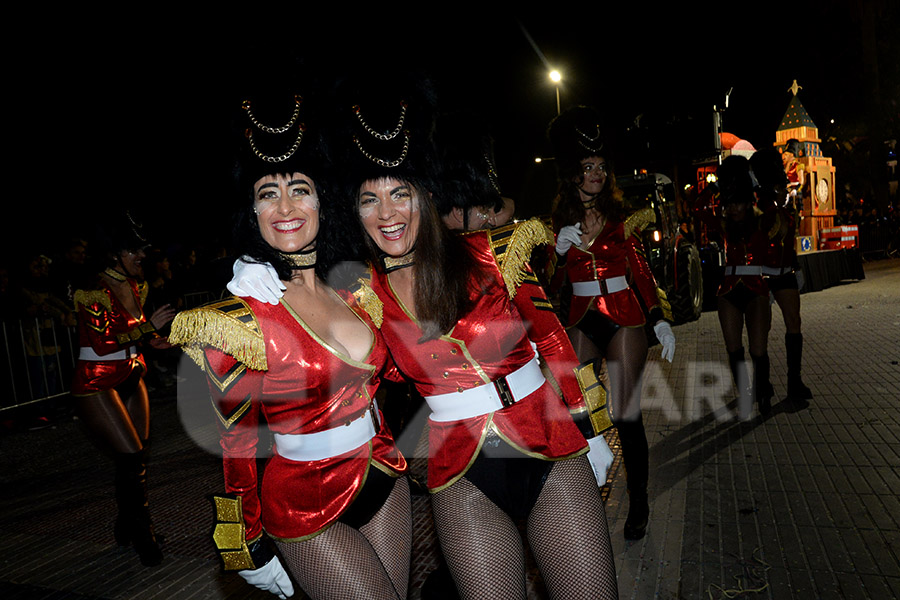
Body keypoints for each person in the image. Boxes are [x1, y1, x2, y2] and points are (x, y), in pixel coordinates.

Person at [232, 77, 619, 600]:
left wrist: (590, 427)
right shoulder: (364, 297)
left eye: (400, 194)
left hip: (551, 448)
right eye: (369, 200)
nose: (387, 213)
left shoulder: (491, 253)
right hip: (462, 478)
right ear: (355, 213)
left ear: (426, 196)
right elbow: (322, 354)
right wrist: (253, 262)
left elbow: (554, 343)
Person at [169, 89, 412, 600]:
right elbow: (234, 444)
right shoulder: (237, 318)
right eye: (267, 194)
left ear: (324, 200)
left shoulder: (359, 291)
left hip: (383, 472)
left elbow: (401, 367)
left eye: (299, 189)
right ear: (250, 210)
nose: (285, 207)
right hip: (305, 500)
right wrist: (244, 545)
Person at [545, 105, 676, 542]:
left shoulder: (621, 220)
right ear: (573, 174)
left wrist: (659, 320)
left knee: (625, 414)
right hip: (582, 319)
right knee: (574, 411)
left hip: (624, 321)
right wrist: (559, 255)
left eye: (601, 166)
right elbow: (548, 285)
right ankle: (586, 498)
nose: (596, 174)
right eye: (588, 167)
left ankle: (638, 501)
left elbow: (640, 271)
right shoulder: (556, 226)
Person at [70, 211, 177, 566]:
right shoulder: (91, 290)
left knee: (135, 457)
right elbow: (103, 345)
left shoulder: (136, 285)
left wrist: (157, 340)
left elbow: (136, 335)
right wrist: (148, 330)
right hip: (97, 381)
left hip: (131, 374)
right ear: (115, 254)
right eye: (134, 251)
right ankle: (143, 535)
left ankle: (127, 524)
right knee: (130, 454)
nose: (142, 257)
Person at [695, 155, 785, 418]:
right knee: (733, 348)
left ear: (748, 202)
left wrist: (754, 184)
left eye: (736, 204)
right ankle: (745, 391)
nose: (731, 209)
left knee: (758, 349)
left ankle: (764, 387)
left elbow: (778, 210)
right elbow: (698, 208)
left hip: (757, 290)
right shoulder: (724, 224)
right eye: (728, 204)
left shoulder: (761, 221)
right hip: (728, 292)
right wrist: (715, 186)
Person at [751, 147, 813, 406]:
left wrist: (796, 268)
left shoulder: (783, 205)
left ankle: (794, 381)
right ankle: (762, 384)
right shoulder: (757, 208)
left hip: (785, 271)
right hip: (762, 274)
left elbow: (789, 242)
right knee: (761, 330)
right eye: (780, 188)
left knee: (794, 321)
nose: (784, 191)